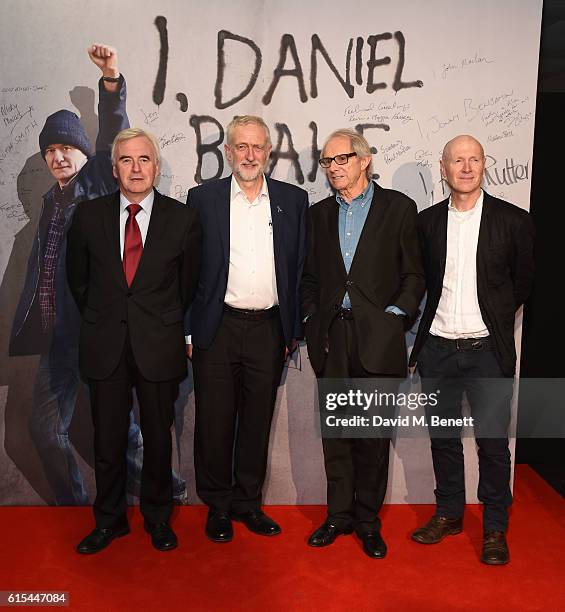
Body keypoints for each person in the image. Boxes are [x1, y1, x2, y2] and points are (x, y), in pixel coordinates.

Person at [7, 44, 187, 506]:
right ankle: (73, 506)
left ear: (86, 154)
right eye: (50, 150)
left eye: (66, 147)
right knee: (44, 430)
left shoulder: (101, 184)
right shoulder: (49, 204)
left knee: (121, 431)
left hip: (98, 332)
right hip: (58, 342)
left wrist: (110, 80)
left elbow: (114, 130)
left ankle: (168, 492)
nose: (58, 157)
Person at [67, 128, 201, 553]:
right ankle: (109, 521)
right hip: (105, 345)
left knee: (158, 440)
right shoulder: (88, 217)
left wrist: (161, 323)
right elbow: (79, 282)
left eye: (144, 160)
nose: (136, 168)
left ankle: (158, 518)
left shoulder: (182, 219)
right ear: (114, 169)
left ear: (156, 168)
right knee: (107, 439)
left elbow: (188, 286)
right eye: (127, 160)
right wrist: (109, 318)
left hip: (158, 345)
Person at [408, 134, 535, 565]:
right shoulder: (425, 224)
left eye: (473, 159)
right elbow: (418, 280)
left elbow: (522, 284)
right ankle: (448, 515)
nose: (465, 167)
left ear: (484, 165)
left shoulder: (514, 221)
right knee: (443, 440)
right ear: (442, 168)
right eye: (456, 160)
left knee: (493, 445)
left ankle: (495, 527)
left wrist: (494, 319)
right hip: (437, 352)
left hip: (487, 353)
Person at [300, 128, 425, 558]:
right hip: (333, 336)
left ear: (364, 160)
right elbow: (311, 278)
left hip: (380, 338)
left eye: (341, 159)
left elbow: (414, 275)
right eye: (327, 162)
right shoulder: (317, 215)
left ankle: (368, 522)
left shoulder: (399, 208)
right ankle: (338, 517)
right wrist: (312, 316)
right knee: (336, 433)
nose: (334, 168)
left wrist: (395, 318)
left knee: (372, 437)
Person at [186, 115, 308, 543]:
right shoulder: (203, 199)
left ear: (269, 153)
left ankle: (248, 504)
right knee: (215, 423)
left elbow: (299, 268)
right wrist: (188, 330)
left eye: (258, 147)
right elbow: (188, 270)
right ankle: (217, 506)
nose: (250, 155)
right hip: (217, 328)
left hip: (269, 330)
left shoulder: (293, 201)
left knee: (257, 422)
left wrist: (294, 329)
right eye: (241, 147)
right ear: (228, 152)